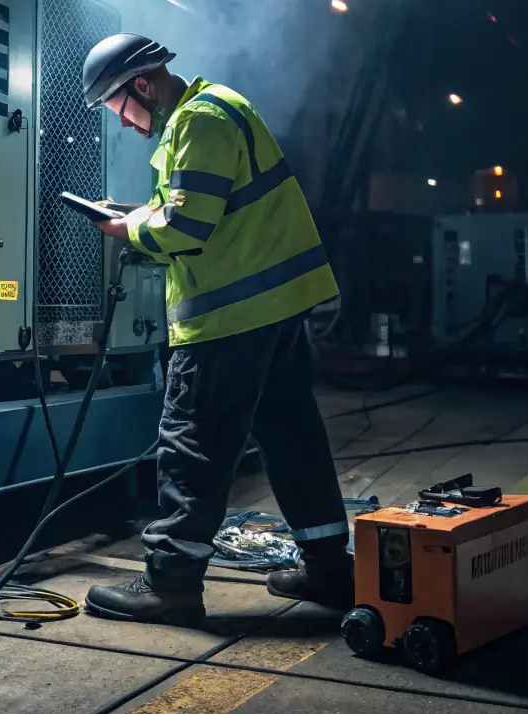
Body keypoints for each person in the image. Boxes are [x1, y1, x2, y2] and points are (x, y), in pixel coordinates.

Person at [79, 32, 353, 626]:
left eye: (119, 107)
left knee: (192, 442)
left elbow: (186, 228)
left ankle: (171, 582)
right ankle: (330, 568)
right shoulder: (220, 108)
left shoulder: (197, 121)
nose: (124, 123)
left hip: (230, 320)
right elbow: (202, 209)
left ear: (143, 86)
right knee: (292, 438)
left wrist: (127, 231)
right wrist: (138, 214)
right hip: (272, 312)